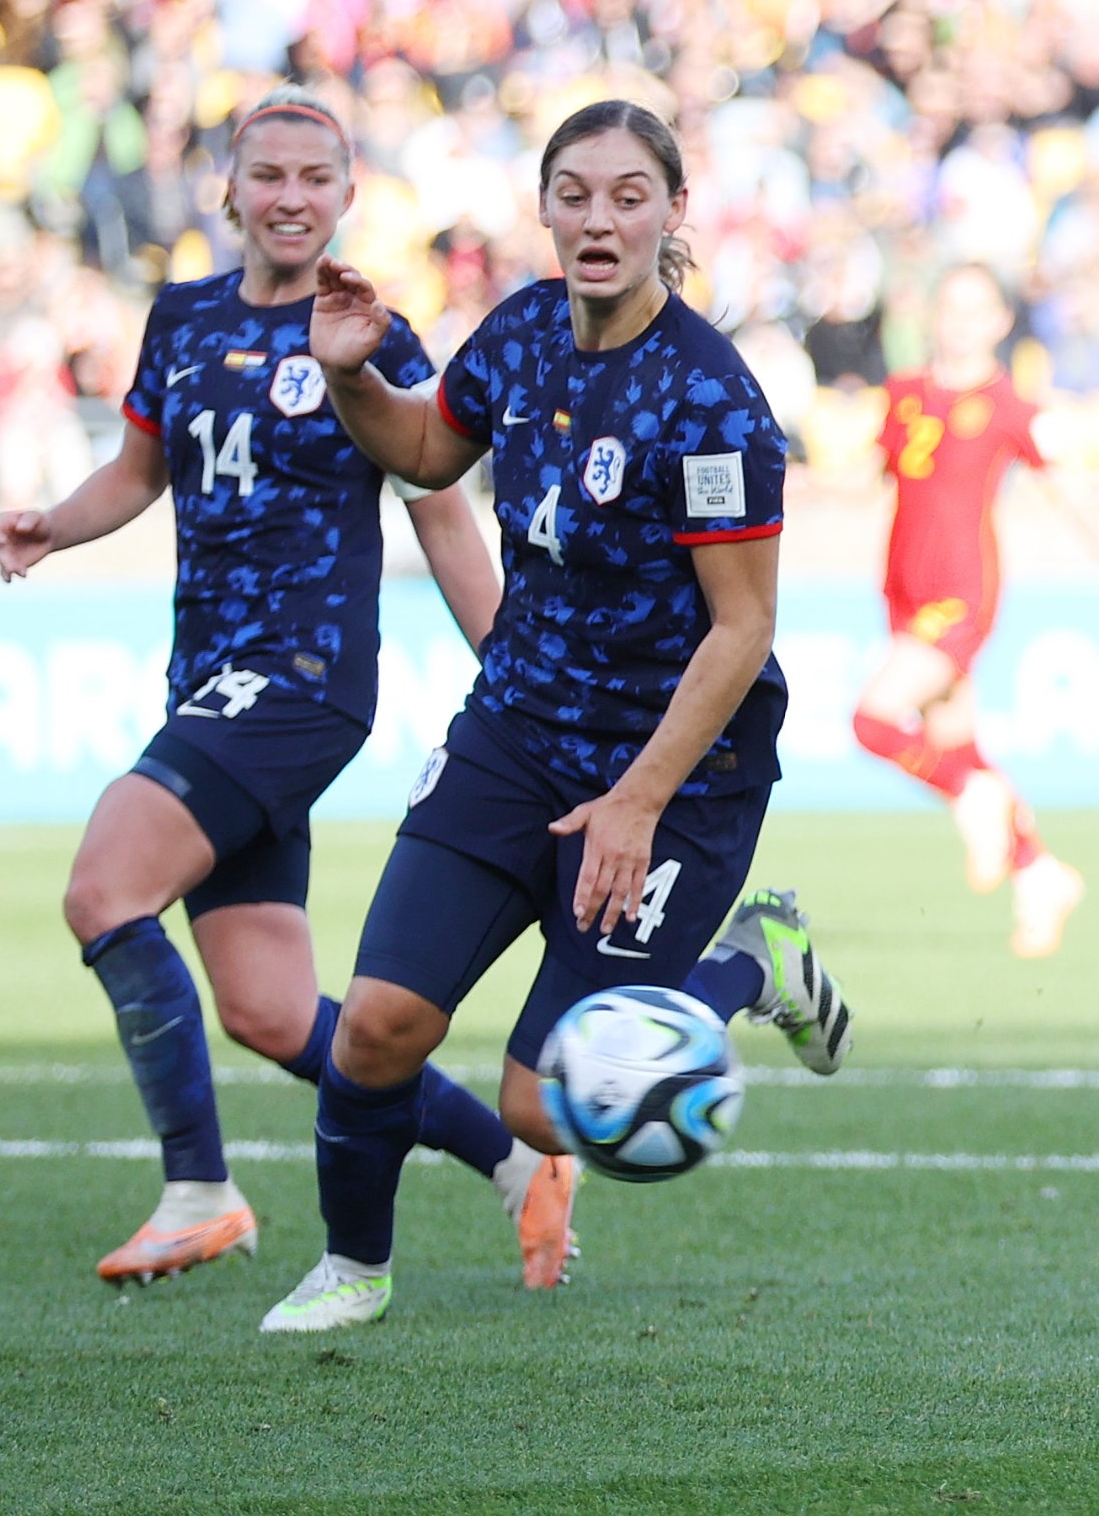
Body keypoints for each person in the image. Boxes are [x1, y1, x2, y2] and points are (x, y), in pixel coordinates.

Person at [266, 100, 855, 1336]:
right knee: (376, 1025)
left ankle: (753, 961)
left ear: (673, 212)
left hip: (679, 772)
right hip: (517, 732)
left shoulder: (711, 400)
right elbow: (425, 449)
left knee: (541, 1103)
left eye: (629, 196)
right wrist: (351, 373)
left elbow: (742, 630)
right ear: (543, 206)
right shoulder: (523, 331)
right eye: (575, 193)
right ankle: (354, 1266)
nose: (598, 219)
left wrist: (636, 803)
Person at [0, 96, 564, 1291]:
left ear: (347, 195)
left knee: (104, 886)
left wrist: (523, 681)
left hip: (304, 678)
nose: (290, 196)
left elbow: (446, 527)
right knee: (268, 1008)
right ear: (230, 190)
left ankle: (198, 1190)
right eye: (268, 174)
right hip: (208, 679)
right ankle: (514, 1161)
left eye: (315, 176)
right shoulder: (184, 317)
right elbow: (137, 471)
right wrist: (56, 525)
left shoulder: (371, 336)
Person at [851, 264, 1099, 958]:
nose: (960, 322)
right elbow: (869, 479)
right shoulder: (903, 393)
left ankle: (973, 796)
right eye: (949, 307)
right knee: (959, 746)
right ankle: (1041, 874)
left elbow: (1064, 489)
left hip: (960, 592)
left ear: (999, 322)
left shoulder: (1011, 405)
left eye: (975, 309)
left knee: (873, 721)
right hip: (902, 590)